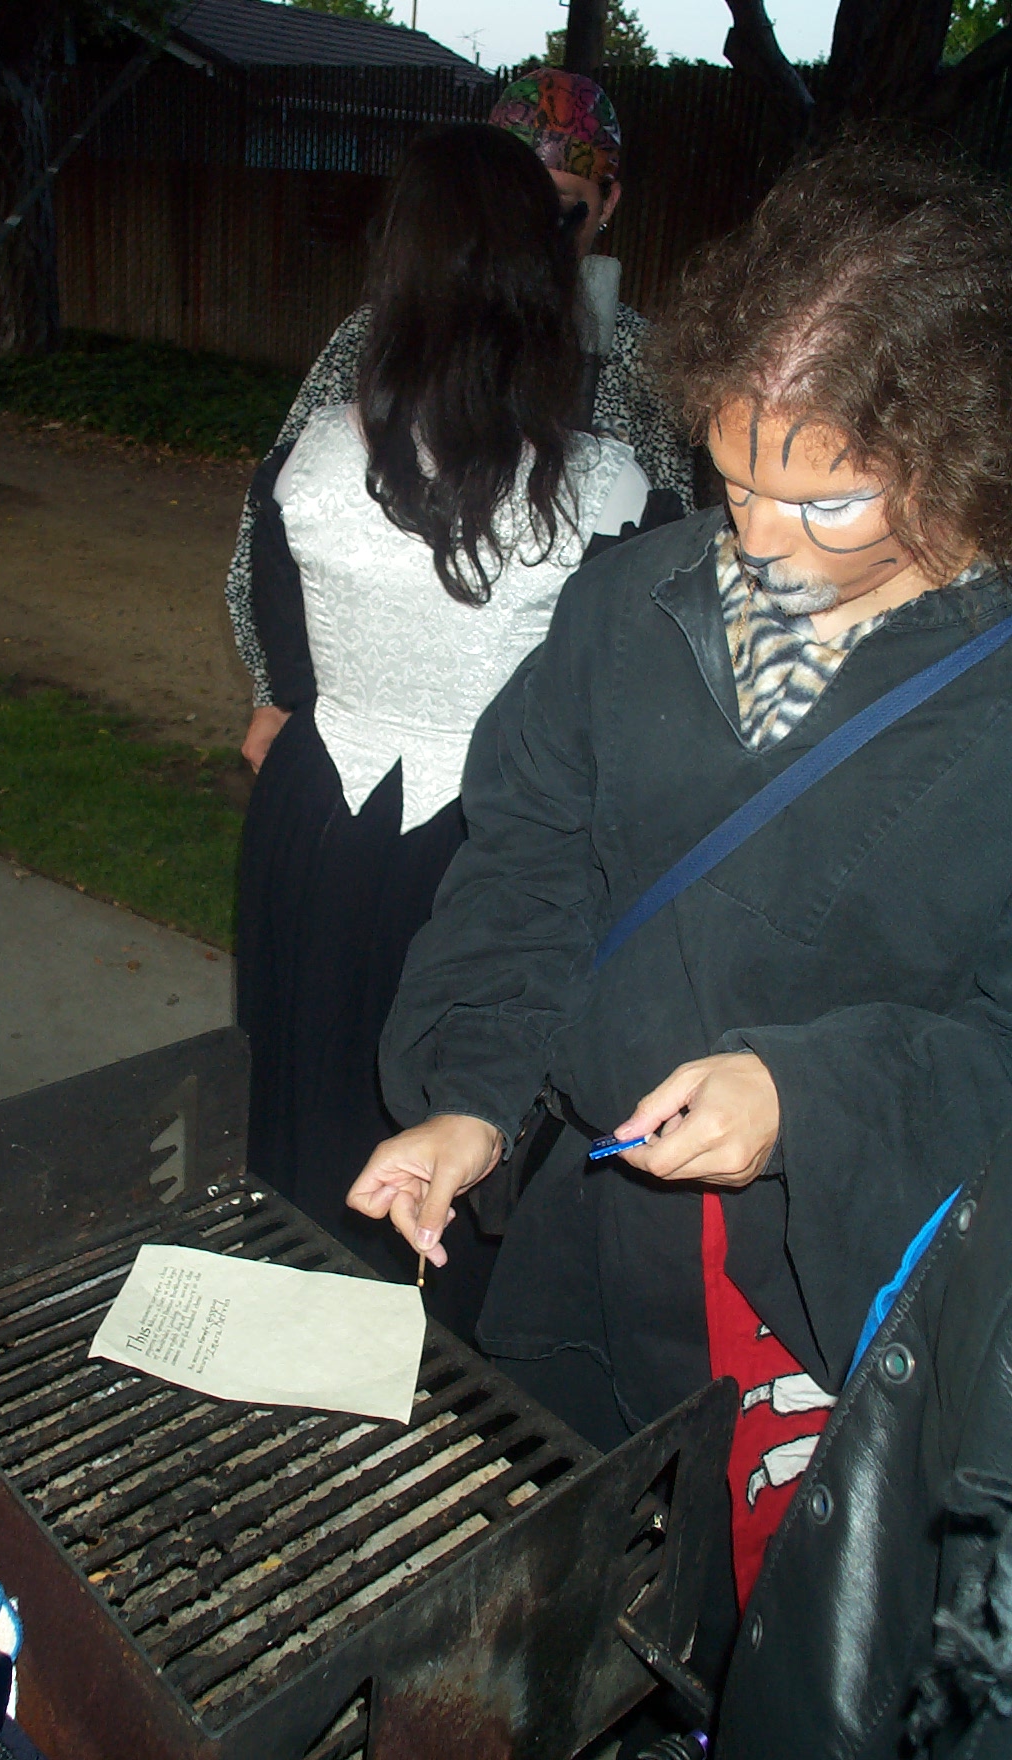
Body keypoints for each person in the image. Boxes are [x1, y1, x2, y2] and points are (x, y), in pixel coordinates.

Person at [347, 141, 1012, 1683]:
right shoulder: (628, 603)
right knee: (582, 1626)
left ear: (971, 453)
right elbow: (528, 873)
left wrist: (808, 1099)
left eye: (828, 499)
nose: (760, 541)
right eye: (735, 479)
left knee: (775, 1663)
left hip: (834, 1306)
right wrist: (470, 1099)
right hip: (597, 1255)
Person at [237, 122, 652, 1338]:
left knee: (307, 1097)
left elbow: (285, 657)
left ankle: (307, 1337)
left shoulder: (304, 462)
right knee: (455, 1126)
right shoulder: (619, 495)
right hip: (498, 844)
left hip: (328, 824)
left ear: (397, 265)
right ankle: (429, 1373)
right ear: (546, 270)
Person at [229, 68, 695, 775]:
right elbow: (275, 538)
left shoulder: (644, 364)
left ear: (608, 203)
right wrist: (283, 693)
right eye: (515, 202)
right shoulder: (377, 340)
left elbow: (668, 585)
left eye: (560, 206)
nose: (533, 231)